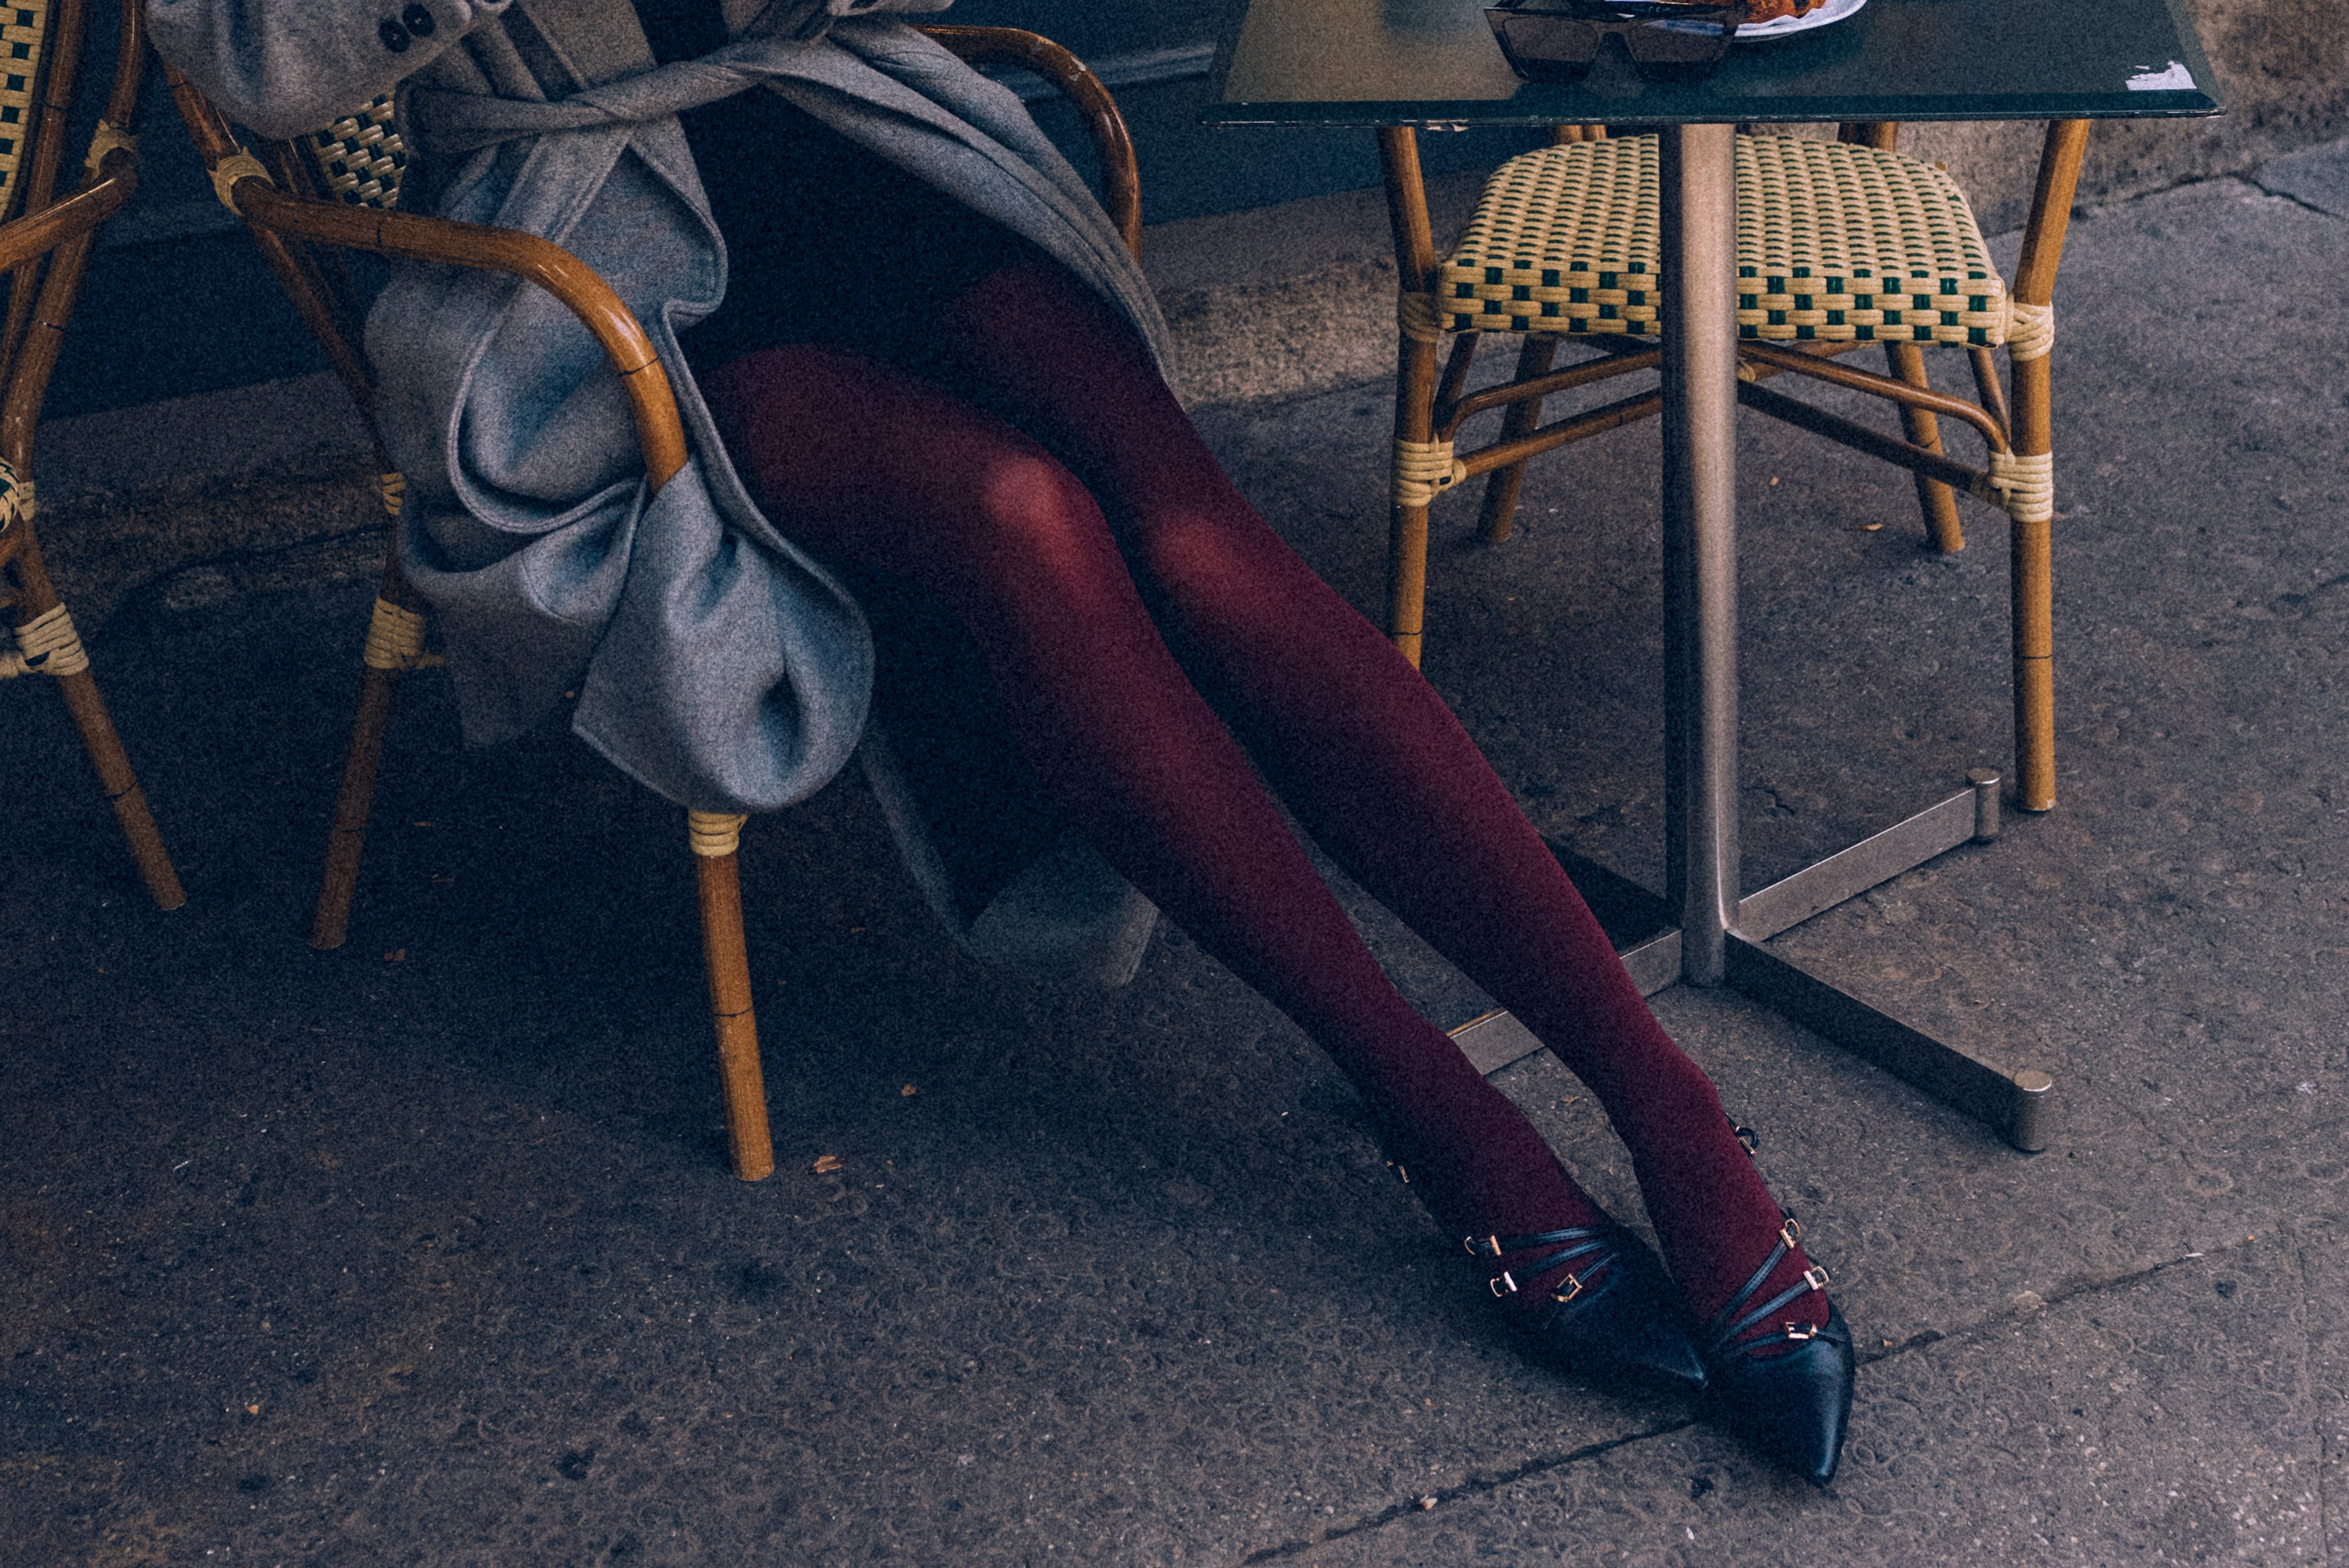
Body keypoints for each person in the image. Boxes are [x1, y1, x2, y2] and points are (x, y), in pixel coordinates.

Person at [150, 0, 1854, 1482]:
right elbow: (247, 56)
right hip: (609, 258)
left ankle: (1668, 1104)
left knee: (1193, 526)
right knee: (1023, 518)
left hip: (855, 136)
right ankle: (1439, 1112)